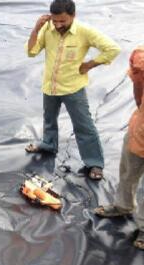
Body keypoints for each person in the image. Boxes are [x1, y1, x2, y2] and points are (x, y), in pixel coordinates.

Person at [24, 0, 120, 180]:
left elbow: (113, 48)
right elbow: (31, 52)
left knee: (83, 125)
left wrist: (90, 64)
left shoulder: (84, 31)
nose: (58, 25)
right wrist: (36, 29)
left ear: (73, 16)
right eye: (55, 21)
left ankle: (94, 163)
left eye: (63, 21)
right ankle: (48, 145)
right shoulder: (47, 28)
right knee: (49, 119)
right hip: (50, 86)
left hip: (72, 88)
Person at [94, 46, 144, 250]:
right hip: (140, 130)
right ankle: (123, 205)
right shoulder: (141, 58)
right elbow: (138, 87)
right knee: (127, 172)